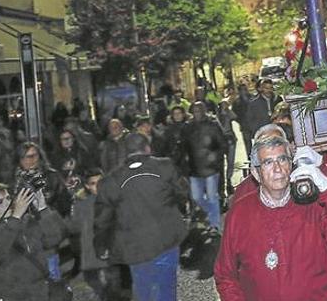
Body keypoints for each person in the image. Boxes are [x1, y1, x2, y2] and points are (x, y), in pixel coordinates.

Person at [214, 133, 327, 300]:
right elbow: (225, 275)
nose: (278, 169)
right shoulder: (240, 212)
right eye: (268, 162)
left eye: (282, 159)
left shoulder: (312, 201)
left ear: (291, 165)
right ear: (255, 172)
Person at [94, 133, 188, 301]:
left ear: (124, 152)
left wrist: (101, 246)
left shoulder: (111, 181)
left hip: (134, 244)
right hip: (166, 238)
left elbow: (103, 220)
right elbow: (182, 194)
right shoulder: (165, 166)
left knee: (143, 288)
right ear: (147, 148)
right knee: (166, 286)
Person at [0, 183, 66, 300]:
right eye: (0, 202)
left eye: (8, 198)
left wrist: (43, 208)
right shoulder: (3, 227)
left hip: (40, 291)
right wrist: (16, 217)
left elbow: (54, 239)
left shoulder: (24, 222)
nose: (8, 203)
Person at [67, 168, 123, 300]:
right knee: (99, 289)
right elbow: (74, 226)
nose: (98, 186)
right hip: (91, 256)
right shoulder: (82, 204)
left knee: (113, 289)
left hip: (110, 255)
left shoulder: (115, 201)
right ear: (87, 185)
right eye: (93, 183)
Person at [179, 101, 227, 231]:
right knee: (196, 197)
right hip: (194, 168)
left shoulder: (213, 125)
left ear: (204, 110)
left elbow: (222, 143)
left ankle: (214, 224)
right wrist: (184, 162)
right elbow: (183, 146)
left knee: (212, 196)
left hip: (211, 167)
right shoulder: (188, 127)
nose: (197, 113)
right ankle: (211, 214)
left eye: (199, 110)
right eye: (194, 111)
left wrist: (216, 159)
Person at [243, 78, 278, 155]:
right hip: (262, 136)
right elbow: (249, 120)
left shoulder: (277, 100)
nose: (269, 90)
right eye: (266, 88)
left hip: (277, 134)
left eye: (271, 88)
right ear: (261, 88)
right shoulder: (254, 103)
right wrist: (257, 131)